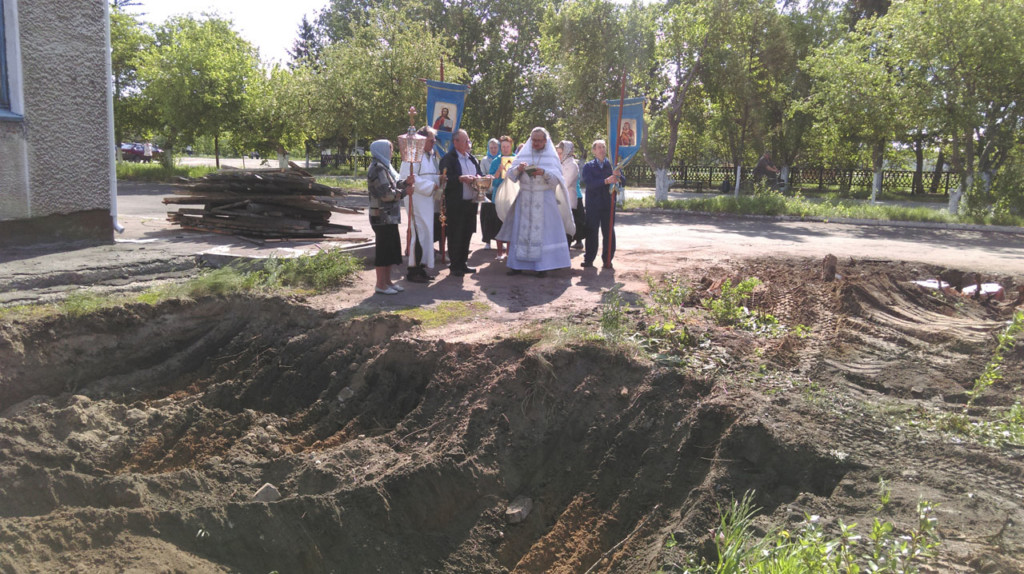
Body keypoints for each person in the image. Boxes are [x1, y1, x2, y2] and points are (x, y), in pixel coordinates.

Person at [494, 127, 573, 278]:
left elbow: (558, 180)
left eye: (539, 141)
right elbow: (510, 175)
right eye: (533, 140)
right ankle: (517, 266)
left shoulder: (551, 157)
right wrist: (519, 169)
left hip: (543, 199)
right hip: (524, 199)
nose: (535, 143)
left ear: (545, 141)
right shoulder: (523, 154)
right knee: (520, 233)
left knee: (543, 234)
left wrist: (544, 173)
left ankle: (542, 266)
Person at [400, 126, 442, 283]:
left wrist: (439, 181)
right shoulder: (412, 155)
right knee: (418, 233)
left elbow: (429, 177)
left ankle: (421, 266)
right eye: (432, 140)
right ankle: (413, 269)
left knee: (426, 232)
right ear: (422, 140)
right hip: (416, 199)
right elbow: (408, 177)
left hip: (427, 200)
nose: (434, 142)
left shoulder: (430, 156)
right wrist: (432, 186)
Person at [367, 139, 410, 295]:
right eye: (390, 149)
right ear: (382, 150)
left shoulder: (385, 167)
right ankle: (380, 284)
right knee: (383, 251)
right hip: (381, 217)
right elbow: (386, 194)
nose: (392, 152)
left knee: (390, 250)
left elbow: (394, 185)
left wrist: (405, 183)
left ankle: (388, 282)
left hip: (390, 217)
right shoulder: (377, 169)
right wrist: (406, 192)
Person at [438, 129, 482, 277]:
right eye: (465, 141)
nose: (467, 143)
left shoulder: (472, 158)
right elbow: (444, 179)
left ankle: (463, 263)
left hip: (470, 203)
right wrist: (460, 179)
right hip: (456, 203)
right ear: (455, 142)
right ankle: (455, 265)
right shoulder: (448, 159)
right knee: (455, 234)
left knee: (467, 233)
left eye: (468, 140)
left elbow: (479, 174)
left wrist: (481, 179)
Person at [580, 139, 623, 269]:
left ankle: (607, 259)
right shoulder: (588, 166)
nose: (602, 150)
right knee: (592, 231)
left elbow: (623, 181)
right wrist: (605, 181)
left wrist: (619, 175)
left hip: (608, 204)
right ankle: (589, 259)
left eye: (603, 147)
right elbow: (589, 183)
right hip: (593, 204)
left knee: (609, 232)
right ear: (594, 151)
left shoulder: (612, 165)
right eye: (599, 147)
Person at [486, 135, 515, 261]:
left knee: (511, 224)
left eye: (507, 146)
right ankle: (499, 252)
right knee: (498, 224)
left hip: (513, 195)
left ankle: (509, 251)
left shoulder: (517, 159)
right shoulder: (496, 160)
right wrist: (499, 171)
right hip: (498, 196)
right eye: (503, 146)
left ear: (511, 146)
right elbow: (492, 181)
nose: (505, 149)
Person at [556, 140, 585, 249]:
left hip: (569, 200)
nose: (558, 155)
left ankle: (565, 252)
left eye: (560, 153)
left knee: (567, 229)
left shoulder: (572, 165)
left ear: (566, 152)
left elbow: (565, 182)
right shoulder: (561, 163)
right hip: (559, 200)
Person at [480, 138, 501, 251]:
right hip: (487, 192)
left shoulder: (501, 159)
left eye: (495, 147)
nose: (493, 150)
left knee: (498, 218)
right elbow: (483, 174)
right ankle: (487, 241)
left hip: (499, 192)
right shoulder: (484, 160)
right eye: (491, 147)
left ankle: (500, 241)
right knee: (486, 218)